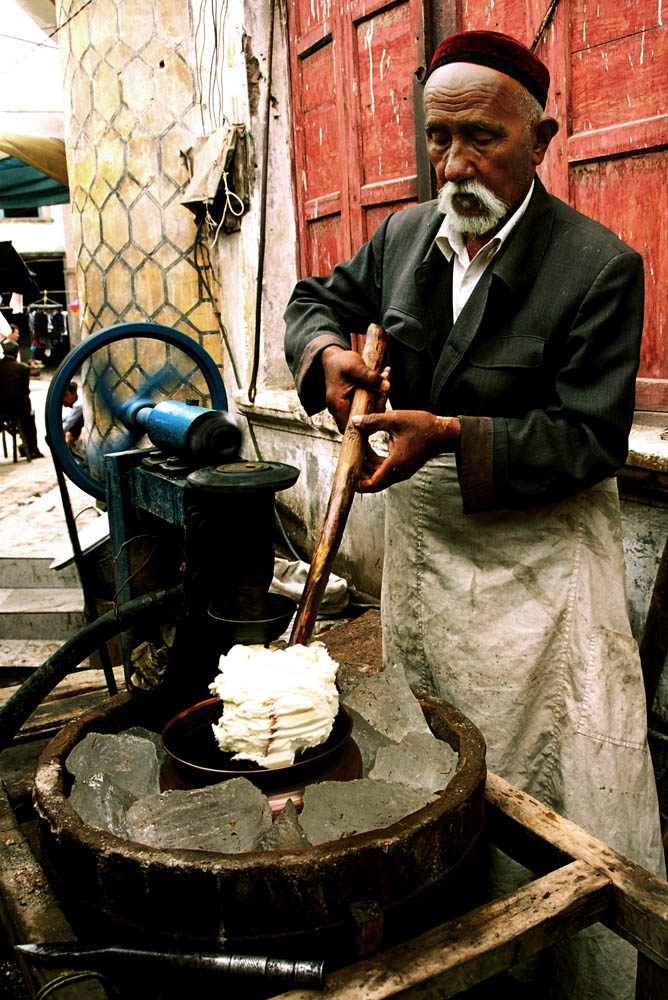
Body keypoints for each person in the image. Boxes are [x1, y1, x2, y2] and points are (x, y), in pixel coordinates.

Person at [284, 29, 664, 1000]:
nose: (453, 164)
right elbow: (314, 299)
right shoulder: (408, 234)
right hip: (429, 572)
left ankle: (551, 957)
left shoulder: (596, 267)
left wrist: (450, 433)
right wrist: (326, 351)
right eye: (436, 138)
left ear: (540, 136)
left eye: (481, 140)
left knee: (543, 777)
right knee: (433, 754)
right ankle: (451, 929)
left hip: (538, 578)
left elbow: (584, 438)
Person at [0, 341, 43, 458]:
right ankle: (32, 449)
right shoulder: (22, 368)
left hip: (1, 409)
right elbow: (25, 390)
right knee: (29, 418)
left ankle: (19, 438)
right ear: (16, 353)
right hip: (19, 408)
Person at [61, 380, 84, 450]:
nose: (63, 399)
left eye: (65, 395)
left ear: (74, 394)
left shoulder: (79, 406)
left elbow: (67, 425)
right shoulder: (76, 407)